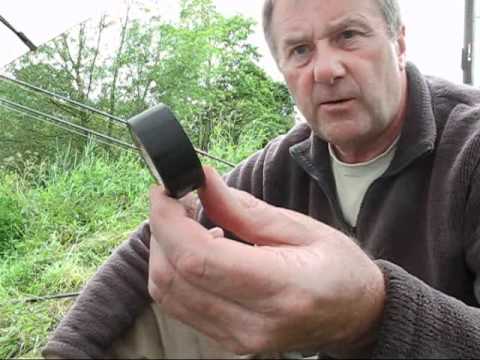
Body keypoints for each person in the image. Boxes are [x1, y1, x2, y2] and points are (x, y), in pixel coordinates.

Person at [43, 0, 480, 358]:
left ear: (399, 43)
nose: (326, 70)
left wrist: (375, 314)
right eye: (300, 51)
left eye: (348, 36)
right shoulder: (277, 167)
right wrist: (68, 351)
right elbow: (146, 250)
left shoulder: (471, 149)